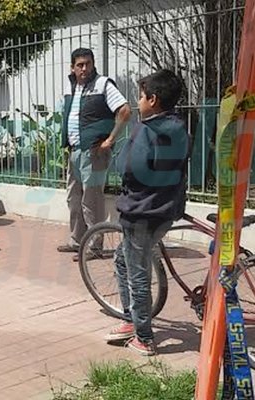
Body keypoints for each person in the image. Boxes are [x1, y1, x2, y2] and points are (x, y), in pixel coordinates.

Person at [105, 69, 189, 356]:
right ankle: (131, 319)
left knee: (137, 274)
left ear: (152, 100)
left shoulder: (146, 129)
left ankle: (143, 336)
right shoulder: (179, 126)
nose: (138, 101)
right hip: (167, 209)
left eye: (141, 96)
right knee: (122, 260)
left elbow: (127, 168)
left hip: (141, 211)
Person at [56, 48, 131, 259]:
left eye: (88, 63)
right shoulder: (71, 86)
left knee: (92, 200)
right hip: (75, 151)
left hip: (94, 151)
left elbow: (125, 111)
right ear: (72, 67)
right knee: (74, 198)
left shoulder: (103, 84)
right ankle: (77, 240)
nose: (84, 68)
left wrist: (110, 140)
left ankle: (95, 246)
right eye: (80, 65)